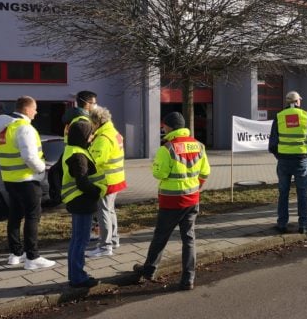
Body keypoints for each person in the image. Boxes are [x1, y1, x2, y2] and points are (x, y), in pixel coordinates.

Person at [134, 112, 210, 291]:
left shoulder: (167, 148)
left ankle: (149, 270)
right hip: (192, 199)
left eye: (164, 126)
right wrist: (195, 187)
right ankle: (188, 279)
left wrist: (156, 165)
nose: (163, 128)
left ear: (169, 127)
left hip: (171, 201)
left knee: (160, 237)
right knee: (189, 239)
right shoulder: (199, 146)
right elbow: (205, 172)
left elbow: (159, 174)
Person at [0, 96, 56, 270]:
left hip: (10, 179)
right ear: (27, 109)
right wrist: (41, 168)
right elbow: (29, 156)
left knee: (14, 216)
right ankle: (32, 257)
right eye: (35, 108)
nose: (36, 112)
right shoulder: (25, 128)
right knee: (32, 216)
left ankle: (16, 254)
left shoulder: (5, 128)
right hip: (27, 180)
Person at [62, 120, 106, 287]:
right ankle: (78, 278)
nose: (92, 137)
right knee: (81, 240)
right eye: (90, 134)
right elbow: (82, 182)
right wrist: (97, 191)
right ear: (84, 136)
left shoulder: (72, 149)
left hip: (77, 201)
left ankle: (75, 275)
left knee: (76, 240)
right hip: (82, 201)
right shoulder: (78, 155)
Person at [268, 91, 307, 234]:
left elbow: (272, 144)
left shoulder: (279, 117)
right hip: (301, 160)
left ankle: (282, 223)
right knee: (302, 193)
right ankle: (303, 225)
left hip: (284, 160)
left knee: (283, 192)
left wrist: (280, 156)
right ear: (297, 102)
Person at [86, 107, 127, 258]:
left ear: (96, 122)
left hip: (105, 180)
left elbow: (95, 161)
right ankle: (114, 240)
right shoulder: (114, 133)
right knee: (110, 210)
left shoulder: (103, 138)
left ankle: (105, 246)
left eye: (91, 121)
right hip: (115, 178)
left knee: (103, 211)